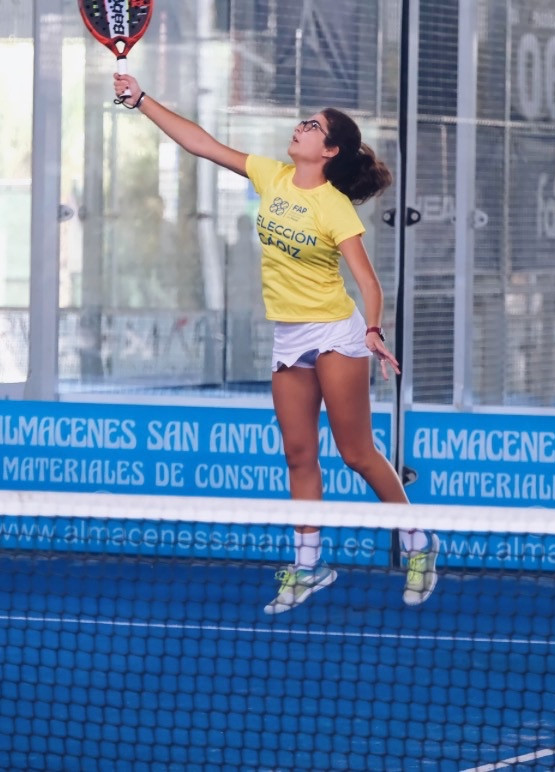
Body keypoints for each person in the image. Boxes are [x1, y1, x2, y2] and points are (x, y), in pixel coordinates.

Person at [113, 73, 440, 614]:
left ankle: (417, 542)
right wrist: (143, 99)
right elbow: (201, 143)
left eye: (313, 126)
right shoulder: (272, 176)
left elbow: (369, 282)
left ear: (329, 151)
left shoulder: (334, 206)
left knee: (356, 452)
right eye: (304, 121)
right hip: (289, 334)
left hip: (335, 330)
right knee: (298, 453)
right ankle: (309, 567)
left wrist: (373, 330)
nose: (300, 127)